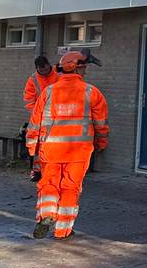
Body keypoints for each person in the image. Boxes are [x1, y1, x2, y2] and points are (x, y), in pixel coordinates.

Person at [26, 48, 108, 240]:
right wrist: (101, 143)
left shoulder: (48, 92)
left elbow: (35, 124)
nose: (85, 71)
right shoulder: (92, 93)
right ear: (79, 70)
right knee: (70, 188)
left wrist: (32, 149)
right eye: (84, 68)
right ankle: (63, 231)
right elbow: (101, 124)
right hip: (78, 153)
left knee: (49, 185)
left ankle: (46, 214)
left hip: (50, 150)